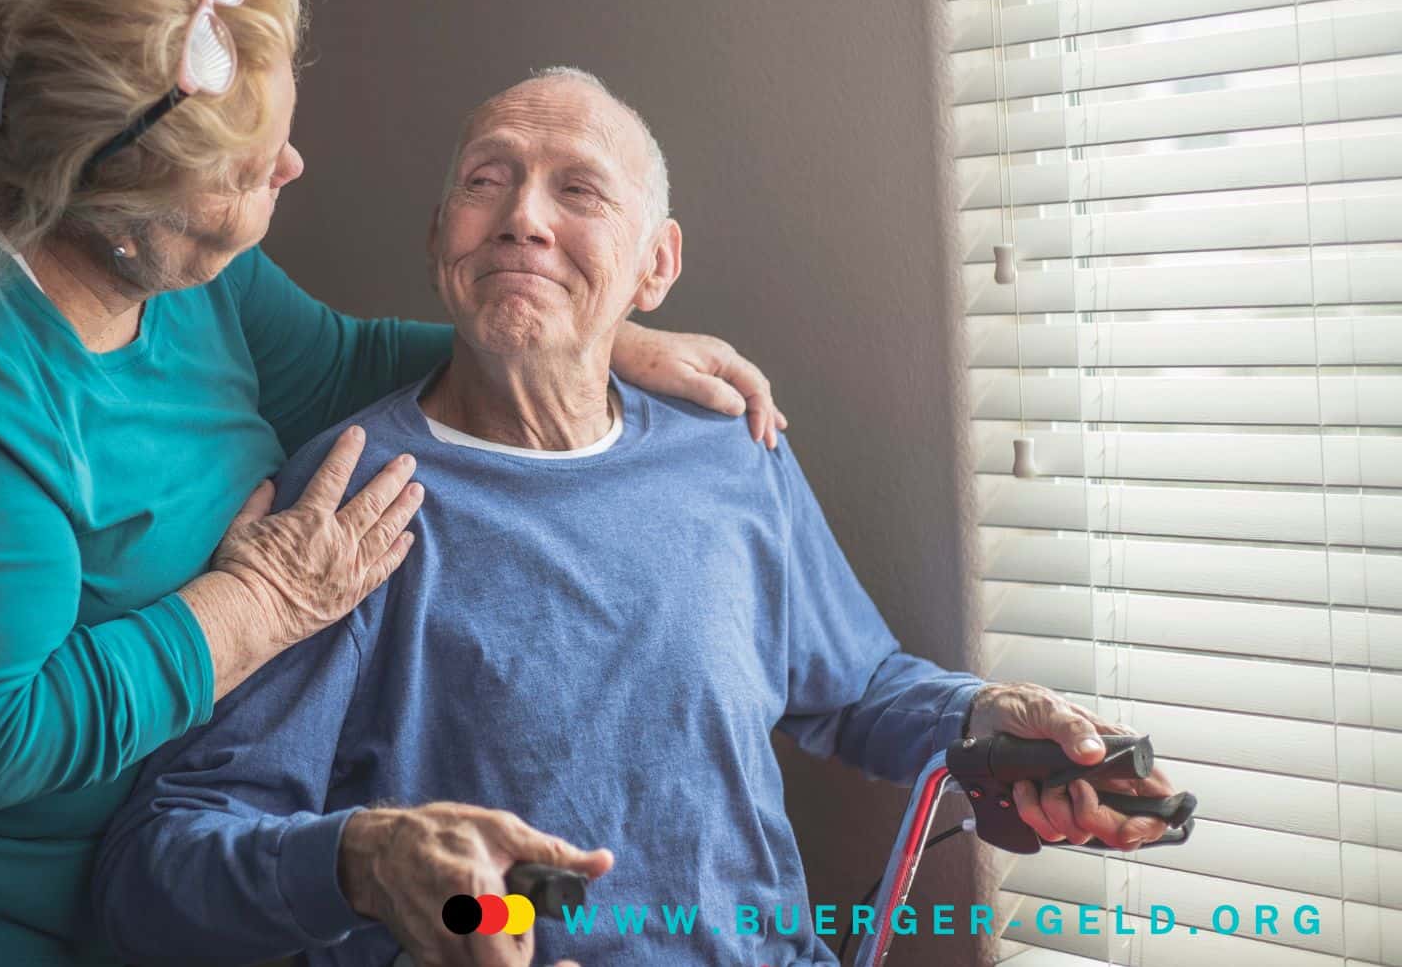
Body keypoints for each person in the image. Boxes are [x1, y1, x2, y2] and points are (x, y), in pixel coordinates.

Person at [0, 0, 788, 967]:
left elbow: (332, 361)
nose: (290, 164)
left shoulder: (132, 233)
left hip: (138, 890)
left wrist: (589, 334)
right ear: (115, 206)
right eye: (246, 168)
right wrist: (255, 610)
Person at [97, 69, 1180, 967]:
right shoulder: (347, 506)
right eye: (489, 181)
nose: (524, 216)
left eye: (579, 190)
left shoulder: (732, 457)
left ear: (656, 265)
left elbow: (854, 686)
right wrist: (365, 857)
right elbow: (159, 866)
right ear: (442, 238)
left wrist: (993, 722)